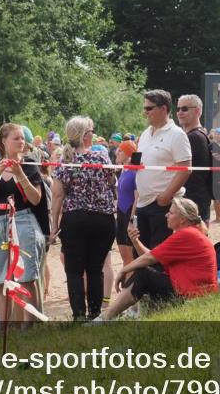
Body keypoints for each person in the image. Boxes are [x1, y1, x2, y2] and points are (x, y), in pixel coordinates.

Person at [97, 198, 217, 320]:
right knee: (147, 271)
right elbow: (154, 257)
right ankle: (130, 314)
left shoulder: (187, 234)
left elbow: (150, 257)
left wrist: (124, 270)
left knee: (144, 274)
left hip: (192, 295)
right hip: (194, 292)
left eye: (171, 213)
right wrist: (136, 241)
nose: (166, 215)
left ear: (182, 219)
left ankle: (107, 316)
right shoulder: (191, 233)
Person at [51, 116, 117, 320]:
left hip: (75, 219)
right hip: (103, 219)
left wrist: (54, 224)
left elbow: (58, 195)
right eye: (92, 131)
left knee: (74, 270)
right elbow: (112, 182)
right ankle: (95, 313)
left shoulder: (66, 161)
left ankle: (78, 315)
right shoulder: (102, 157)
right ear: (85, 135)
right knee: (96, 269)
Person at [0, 122, 46, 324]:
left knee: (27, 276)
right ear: (4, 141)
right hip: (0, 223)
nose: (21, 142)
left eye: (23, 138)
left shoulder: (29, 165)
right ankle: (3, 328)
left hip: (24, 220)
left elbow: (36, 199)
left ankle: (31, 326)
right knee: (1, 279)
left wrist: (20, 174)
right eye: (16, 138)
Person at [135, 90, 192, 248]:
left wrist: (167, 195)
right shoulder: (146, 133)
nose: (145, 112)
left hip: (163, 205)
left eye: (149, 108)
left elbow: (186, 168)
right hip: (143, 203)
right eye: (145, 108)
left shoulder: (177, 134)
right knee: (141, 253)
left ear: (164, 108)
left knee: (159, 253)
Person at [177, 95, 214, 224]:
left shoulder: (195, 137)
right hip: (193, 200)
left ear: (197, 111)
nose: (180, 112)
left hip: (193, 201)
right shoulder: (196, 134)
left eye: (184, 109)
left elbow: (176, 166)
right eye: (178, 109)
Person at [113, 140, 139, 270]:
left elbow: (137, 197)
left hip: (129, 213)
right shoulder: (123, 170)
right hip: (121, 213)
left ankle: (130, 279)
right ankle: (126, 278)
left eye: (120, 150)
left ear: (128, 154)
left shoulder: (135, 171)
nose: (116, 153)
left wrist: (131, 219)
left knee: (130, 257)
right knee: (124, 255)